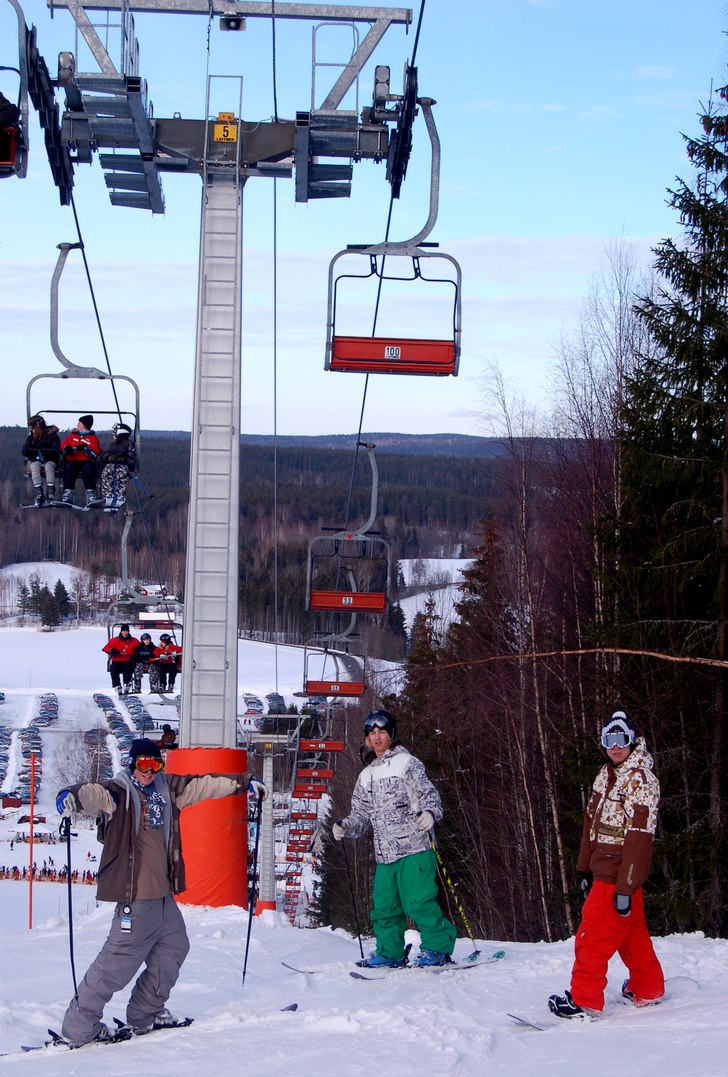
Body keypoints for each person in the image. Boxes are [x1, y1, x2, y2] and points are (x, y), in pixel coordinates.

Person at [55, 737, 268, 1047]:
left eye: (155, 764)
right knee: (115, 965)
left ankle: (145, 1014)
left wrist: (244, 782)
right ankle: (79, 1028)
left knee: (174, 949)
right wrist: (70, 796)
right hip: (136, 899)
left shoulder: (168, 790)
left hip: (164, 898)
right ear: (132, 764)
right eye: (142, 764)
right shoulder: (119, 793)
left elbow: (205, 785)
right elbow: (92, 793)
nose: (148, 771)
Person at [547, 710, 664, 1019]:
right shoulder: (606, 774)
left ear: (631, 740)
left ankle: (584, 999)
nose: (615, 747)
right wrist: (584, 867)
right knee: (632, 933)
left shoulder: (641, 780)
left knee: (592, 934)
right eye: (609, 740)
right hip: (604, 867)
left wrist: (626, 885)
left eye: (621, 739)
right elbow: (591, 824)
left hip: (618, 872)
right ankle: (648, 987)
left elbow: (640, 838)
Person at [333, 708, 457, 968]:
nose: (377, 738)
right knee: (384, 908)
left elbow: (427, 793)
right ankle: (390, 953)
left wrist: (431, 813)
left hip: (414, 846)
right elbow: (361, 815)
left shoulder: (407, 763)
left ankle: (438, 949)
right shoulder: (366, 775)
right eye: (372, 734)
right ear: (367, 739)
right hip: (385, 854)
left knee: (418, 902)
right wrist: (346, 825)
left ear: (391, 735)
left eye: (382, 732)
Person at [60, 415, 102, 508]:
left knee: (88, 470)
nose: (77, 425)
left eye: (79, 423)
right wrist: (67, 448)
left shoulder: (92, 438)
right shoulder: (73, 435)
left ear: (84, 425)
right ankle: (68, 493)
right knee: (69, 469)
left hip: (86, 460)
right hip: (73, 459)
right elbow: (64, 444)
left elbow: (97, 451)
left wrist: (87, 450)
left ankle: (90, 493)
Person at [21, 414, 61, 506]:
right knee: (34, 466)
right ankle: (40, 493)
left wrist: (41, 446)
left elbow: (56, 450)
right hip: (37, 460)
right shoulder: (31, 438)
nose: (32, 429)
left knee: (48, 466)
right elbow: (24, 452)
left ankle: (50, 493)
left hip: (50, 459)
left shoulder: (52, 436)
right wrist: (31, 443)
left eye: (32, 427)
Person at [100, 422, 138, 511]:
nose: (112, 433)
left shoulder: (129, 444)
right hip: (112, 464)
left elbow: (132, 458)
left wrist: (123, 459)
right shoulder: (113, 444)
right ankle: (108, 494)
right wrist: (108, 458)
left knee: (120, 474)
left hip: (124, 466)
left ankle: (120, 495)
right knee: (107, 472)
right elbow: (105, 454)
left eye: (114, 431)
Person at [102, 624, 140, 695]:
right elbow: (105, 648)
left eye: (126, 631)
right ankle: (117, 685)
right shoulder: (115, 640)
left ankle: (126, 684)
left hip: (128, 660)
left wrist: (137, 652)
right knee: (113, 668)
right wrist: (112, 650)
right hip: (117, 660)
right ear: (121, 631)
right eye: (123, 631)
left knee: (128, 667)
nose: (125, 633)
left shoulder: (134, 641)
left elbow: (141, 648)